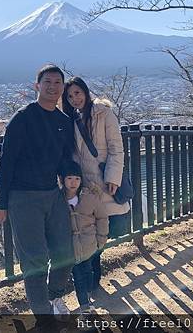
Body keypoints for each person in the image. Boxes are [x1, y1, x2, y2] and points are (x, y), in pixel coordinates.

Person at [0, 64, 75, 328]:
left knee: (65, 253)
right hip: (23, 196)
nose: (52, 87)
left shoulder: (64, 122)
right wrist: (2, 203)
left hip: (53, 193)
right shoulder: (23, 117)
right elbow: (6, 162)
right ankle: (43, 316)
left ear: (63, 88)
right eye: (47, 82)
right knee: (35, 259)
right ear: (37, 86)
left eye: (57, 83)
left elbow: (64, 159)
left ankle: (52, 299)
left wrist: (72, 181)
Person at [62, 76, 131, 295]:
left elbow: (116, 147)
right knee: (86, 229)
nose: (74, 98)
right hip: (84, 186)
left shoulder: (104, 113)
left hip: (103, 183)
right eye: (70, 95)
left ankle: (92, 277)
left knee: (102, 228)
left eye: (77, 93)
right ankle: (91, 279)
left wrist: (113, 177)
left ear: (86, 91)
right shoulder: (71, 119)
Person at [60, 161, 108, 318]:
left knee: (88, 273)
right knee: (78, 277)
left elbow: (101, 217)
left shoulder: (89, 197)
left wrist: (101, 238)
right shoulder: (58, 199)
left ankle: (87, 300)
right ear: (62, 180)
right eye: (69, 179)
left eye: (76, 179)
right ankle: (85, 307)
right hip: (70, 248)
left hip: (88, 245)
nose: (73, 183)